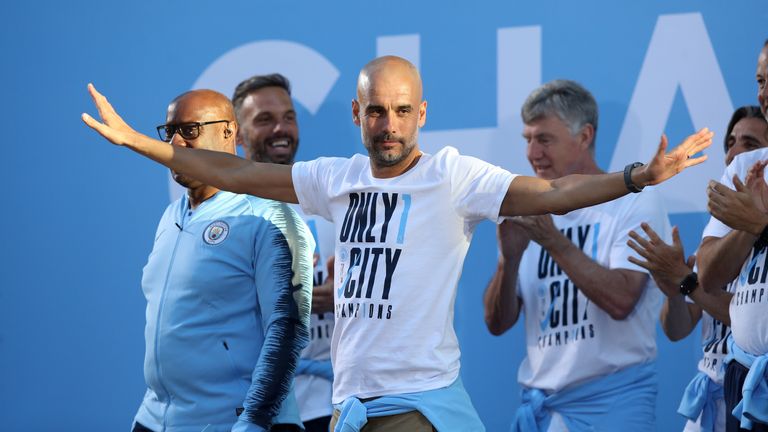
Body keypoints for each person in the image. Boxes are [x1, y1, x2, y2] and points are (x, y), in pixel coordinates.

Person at [82, 56, 713, 431]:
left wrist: (639, 177)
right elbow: (239, 172)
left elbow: (549, 196)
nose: (389, 125)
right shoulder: (336, 178)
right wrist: (142, 142)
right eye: (377, 111)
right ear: (357, 116)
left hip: (415, 404)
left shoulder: (453, 176)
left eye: (402, 111)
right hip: (349, 405)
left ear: (422, 114)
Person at [483, 79, 670, 431]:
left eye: (544, 139)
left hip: (614, 407)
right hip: (540, 408)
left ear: (584, 136)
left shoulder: (634, 201)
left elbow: (622, 300)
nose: (532, 153)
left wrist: (554, 242)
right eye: (528, 139)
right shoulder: (530, 208)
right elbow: (497, 323)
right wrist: (507, 263)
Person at [126, 89, 314, 432]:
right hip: (157, 419)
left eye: (190, 130)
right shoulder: (171, 216)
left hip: (236, 421)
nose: (177, 143)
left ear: (229, 132)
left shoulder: (268, 215)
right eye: (169, 132)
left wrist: (255, 420)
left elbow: (288, 328)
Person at [626, 105, 768, 432]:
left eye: (749, 144)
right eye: (730, 142)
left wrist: (688, 283)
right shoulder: (716, 236)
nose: (734, 151)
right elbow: (676, 330)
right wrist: (674, 293)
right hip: (707, 399)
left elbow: (745, 311)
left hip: (750, 393)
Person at [232, 73, 336, 432]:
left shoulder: (332, 204)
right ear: (238, 135)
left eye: (288, 117)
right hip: (258, 410)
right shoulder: (228, 218)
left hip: (334, 406)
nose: (280, 128)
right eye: (264, 119)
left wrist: (348, 296)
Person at [697, 40, 768, 432]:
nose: (764, 93)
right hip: (744, 380)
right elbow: (708, 271)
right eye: (761, 80)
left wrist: (761, 224)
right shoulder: (746, 167)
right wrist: (747, 226)